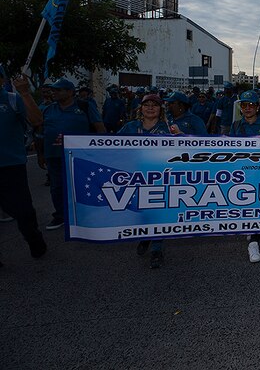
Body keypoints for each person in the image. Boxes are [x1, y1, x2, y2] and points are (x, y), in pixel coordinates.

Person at [41, 78, 106, 230]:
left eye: (58, 90)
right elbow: (40, 132)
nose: (54, 92)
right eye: (53, 90)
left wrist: (100, 151)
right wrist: (41, 154)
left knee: (82, 185)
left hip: (80, 156)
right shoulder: (48, 109)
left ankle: (86, 214)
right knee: (57, 187)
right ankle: (60, 216)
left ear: (70, 92)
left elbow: (100, 128)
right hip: (54, 155)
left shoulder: (84, 106)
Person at [0, 67, 47, 267]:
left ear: (2, 79)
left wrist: (25, 93)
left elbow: (37, 120)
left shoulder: (12, 99)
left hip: (11, 166)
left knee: (23, 212)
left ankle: (35, 240)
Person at [118, 93, 170, 268]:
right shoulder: (130, 127)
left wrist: (180, 135)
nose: (150, 108)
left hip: (158, 177)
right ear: (140, 108)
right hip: (134, 177)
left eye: (154, 105)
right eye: (146, 105)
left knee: (157, 211)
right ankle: (145, 236)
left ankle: (157, 247)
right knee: (140, 209)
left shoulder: (167, 128)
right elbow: (108, 144)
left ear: (160, 109)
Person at [229, 90, 260, 263]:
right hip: (242, 171)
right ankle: (251, 228)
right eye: (244, 105)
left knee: (257, 200)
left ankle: (254, 238)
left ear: (257, 107)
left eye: (251, 105)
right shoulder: (235, 126)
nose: (247, 108)